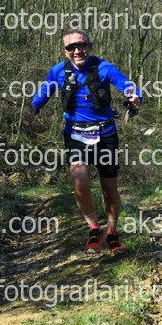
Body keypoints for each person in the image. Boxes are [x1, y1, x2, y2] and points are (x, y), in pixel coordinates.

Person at [25, 28, 142, 256]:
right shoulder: (58, 71)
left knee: (109, 188)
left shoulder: (105, 68)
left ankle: (112, 233)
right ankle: (94, 229)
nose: (77, 50)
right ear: (65, 50)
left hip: (105, 134)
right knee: (79, 180)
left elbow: (127, 85)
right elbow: (45, 91)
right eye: (71, 47)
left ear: (89, 46)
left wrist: (135, 96)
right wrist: (33, 108)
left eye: (81, 45)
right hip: (75, 134)